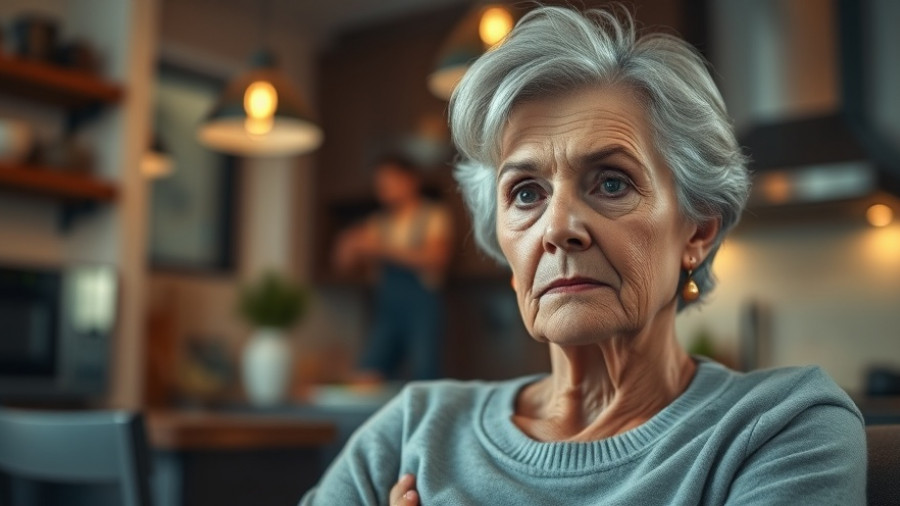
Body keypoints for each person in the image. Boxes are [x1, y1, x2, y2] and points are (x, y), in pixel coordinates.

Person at [304, 6, 866, 505]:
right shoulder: (410, 431)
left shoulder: (779, 427)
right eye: (526, 193)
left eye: (612, 183)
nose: (558, 229)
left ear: (697, 229)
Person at [334, 154, 453, 382]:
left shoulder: (432, 215)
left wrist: (380, 249)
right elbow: (344, 265)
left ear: (411, 180)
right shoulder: (377, 222)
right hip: (386, 306)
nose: (384, 189)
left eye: (390, 181)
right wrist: (346, 245)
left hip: (422, 305)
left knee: (424, 371)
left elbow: (436, 258)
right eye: (380, 184)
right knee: (368, 371)